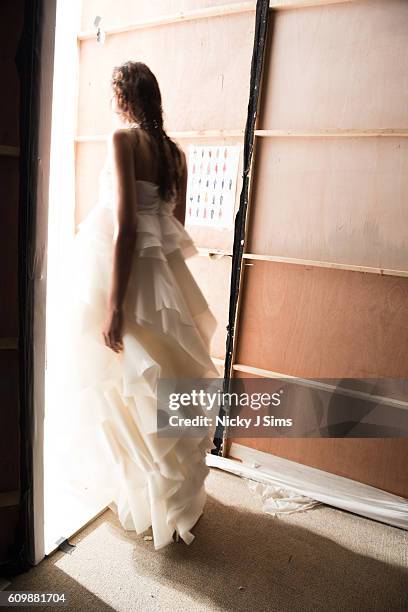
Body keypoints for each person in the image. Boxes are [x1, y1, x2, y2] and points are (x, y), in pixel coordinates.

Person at [61, 61, 219, 550]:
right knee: (159, 381)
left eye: (114, 92)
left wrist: (114, 306)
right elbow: (175, 224)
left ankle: (148, 496)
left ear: (123, 97)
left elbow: (128, 227)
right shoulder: (175, 154)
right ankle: (164, 497)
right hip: (165, 279)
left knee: (130, 385)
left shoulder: (123, 140)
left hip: (128, 273)